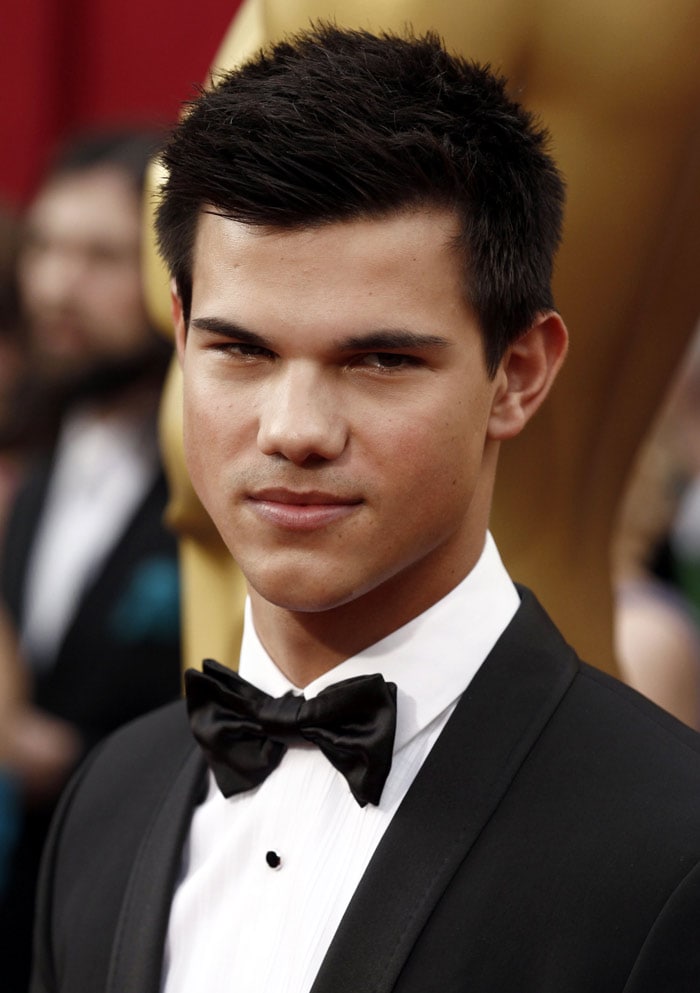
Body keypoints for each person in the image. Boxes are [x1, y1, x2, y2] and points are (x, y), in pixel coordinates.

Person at [31, 26, 700, 993]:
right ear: (180, 339)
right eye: (242, 350)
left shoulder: (669, 849)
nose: (295, 430)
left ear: (517, 375)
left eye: (381, 359)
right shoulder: (109, 801)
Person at [0, 131, 183, 992]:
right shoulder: (29, 460)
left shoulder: (215, 489)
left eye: (101, 256)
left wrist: (63, 758)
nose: (53, 286)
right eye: (43, 246)